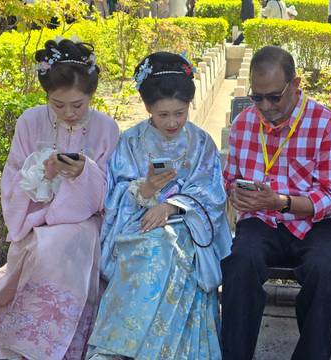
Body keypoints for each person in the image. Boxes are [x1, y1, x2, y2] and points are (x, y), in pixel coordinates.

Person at [87, 52, 232, 359]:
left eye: (180, 113)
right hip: (137, 223)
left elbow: (213, 194)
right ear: (147, 107)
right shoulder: (130, 142)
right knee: (151, 245)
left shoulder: (202, 143)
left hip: (189, 228)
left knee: (169, 246)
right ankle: (123, 346)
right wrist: (146, 189)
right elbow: (113, 196)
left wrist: (173, 206)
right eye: (162, 114)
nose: (172, 122)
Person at [0, 38, 120, 360]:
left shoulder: (106, 127)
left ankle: (41, 347)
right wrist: (42, 174)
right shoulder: (30, 121)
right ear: (46, 95)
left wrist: (82, 174)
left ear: (92, 95)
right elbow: (13, 178)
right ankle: (32, 343)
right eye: (58, 105)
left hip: (87, 224)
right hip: (34, 217)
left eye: (79, 104)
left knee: (59, 244)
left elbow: (111, 193)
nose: (69, 113)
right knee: (43, 245)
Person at [221, 45, 331, 360]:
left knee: (324, 271)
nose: (265, 106)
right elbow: (228, 178)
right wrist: (234, 193)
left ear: (295, 84)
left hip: (314, 223)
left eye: (274, 97)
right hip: (262, 220)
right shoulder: (244, 123)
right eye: (257, 97)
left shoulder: (324, 122)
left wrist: (282, 202)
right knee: (239, 265)